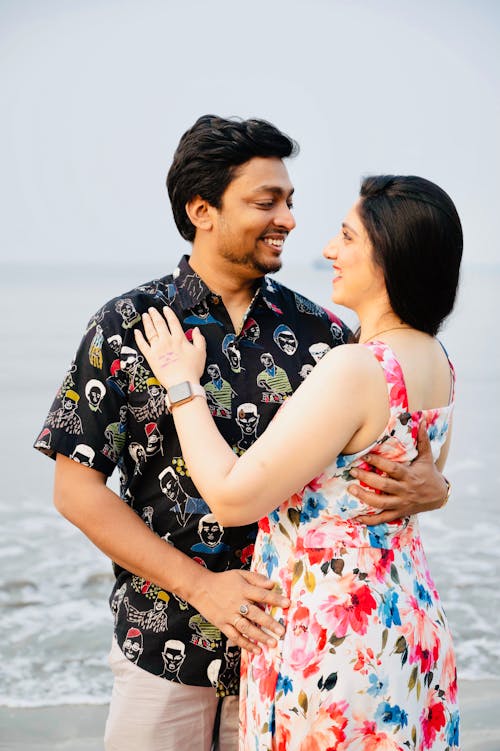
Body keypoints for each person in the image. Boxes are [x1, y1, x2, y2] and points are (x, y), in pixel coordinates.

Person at [34, 116, 450, 751]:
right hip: (165, 643)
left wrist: (431, 488)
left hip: (300, 652)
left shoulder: (324, 335)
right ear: (202, 209)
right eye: (266, 202)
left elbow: (380, 445)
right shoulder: (127, 325)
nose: (287, 218)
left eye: (290, 201)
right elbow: (76, 490)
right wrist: (201, 587)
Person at [134, 174, 462, 750]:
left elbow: (233, 496)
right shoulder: (437, 360)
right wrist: (442, 489)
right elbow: (417, 486)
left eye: (347, 237)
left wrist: (182, 384)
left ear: (390, 256)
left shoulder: (354, 368)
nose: (329, 250)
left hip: (331, 638)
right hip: (407, 625)